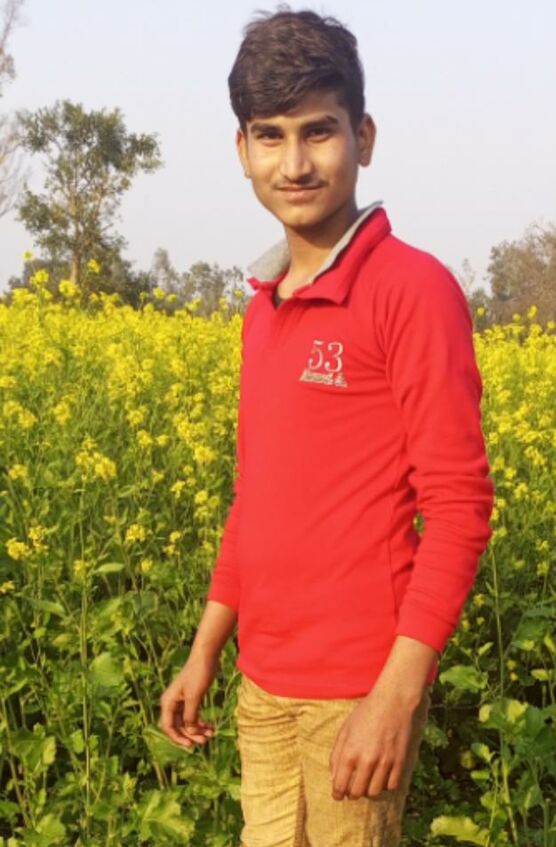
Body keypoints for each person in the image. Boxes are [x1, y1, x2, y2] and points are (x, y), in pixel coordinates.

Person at [159, 7, 495, 846]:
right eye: (270, 136)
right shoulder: (263, 308)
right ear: (242, 150)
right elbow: (256, 498)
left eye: (319, 131)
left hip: (355, 691)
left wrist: (396, 696)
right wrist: (207, 648)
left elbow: (459, 507)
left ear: (363, 137)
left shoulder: (412, 291)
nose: (296, 163)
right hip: (262, 686)